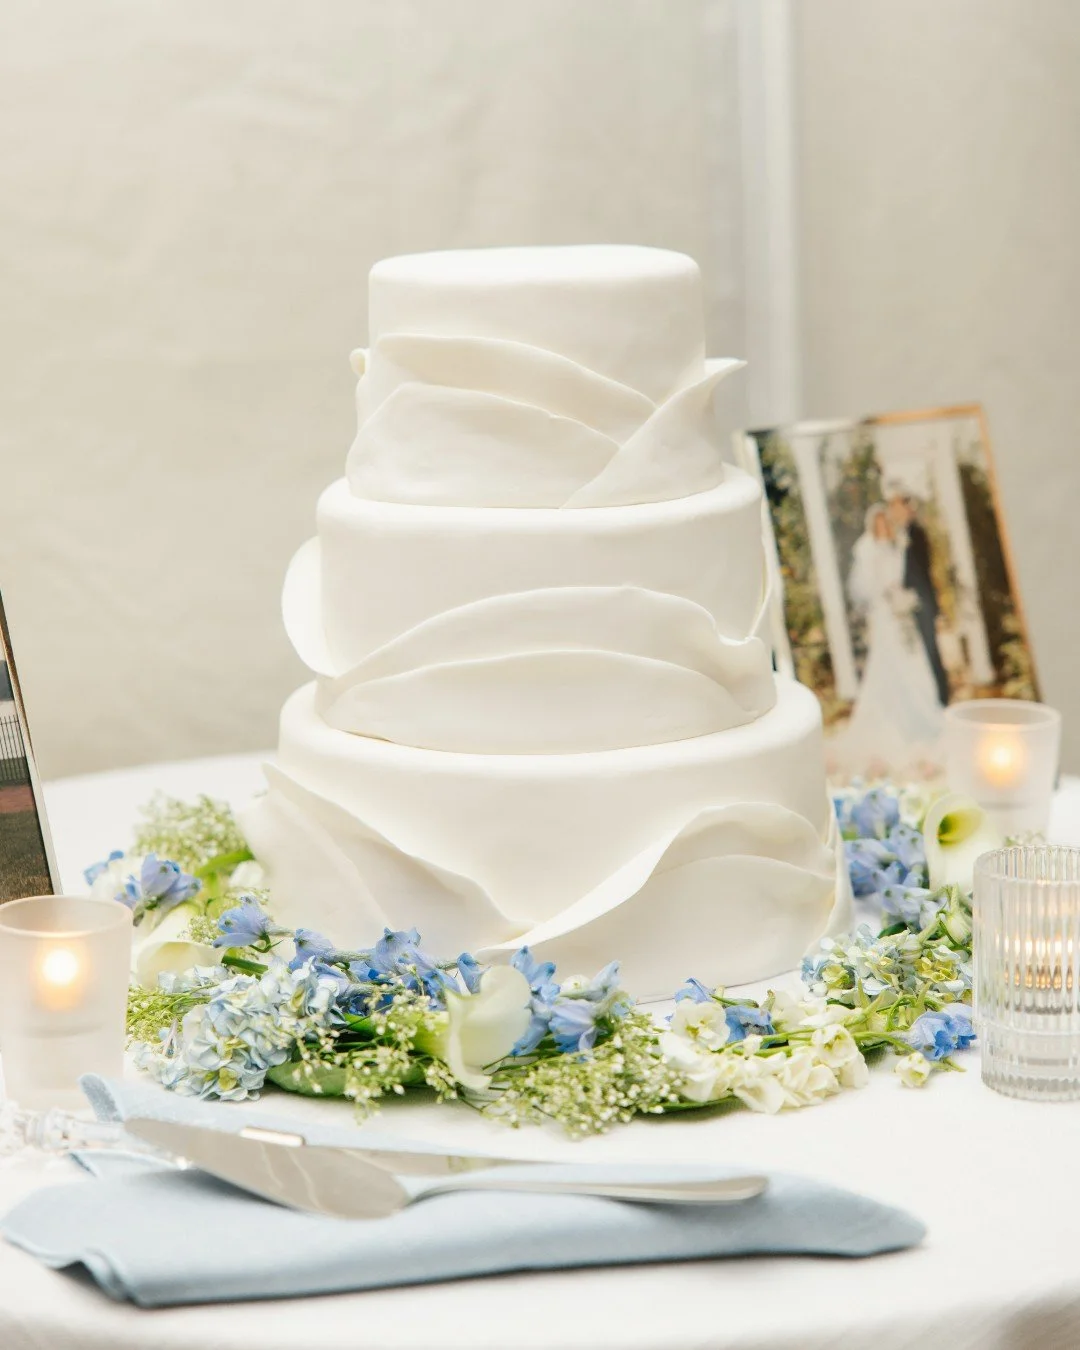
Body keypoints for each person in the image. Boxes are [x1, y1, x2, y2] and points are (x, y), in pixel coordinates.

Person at [837, 502, 945, 772]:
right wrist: (888, 596)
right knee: (892, 663)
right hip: (886, 616)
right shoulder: (868, 550)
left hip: (902, 613)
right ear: (874, 527)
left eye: (887, 522)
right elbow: (865, 587)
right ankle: (896, 716)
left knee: (914, 659)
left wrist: (904, 598)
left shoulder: (898, 546)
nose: (884, 527)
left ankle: (925, 710)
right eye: (880, 524)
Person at [886, 490, 951, 706]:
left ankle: (943, 698)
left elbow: (923, 572)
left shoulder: (916, 533)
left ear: (906, 508)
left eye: (897, 507)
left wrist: (919, 596)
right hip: (910, 603)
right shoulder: (900, 534)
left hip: (921, 601)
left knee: (931, 651)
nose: (894, 512)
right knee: (920, 653)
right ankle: (932, 698)